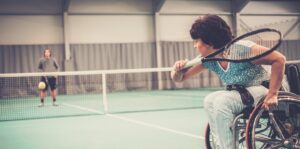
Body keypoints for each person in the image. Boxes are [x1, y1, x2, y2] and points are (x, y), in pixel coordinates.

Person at [171, 14, 286, 149]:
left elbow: (279, 59)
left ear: (210, 42)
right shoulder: (208, 59)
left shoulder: (242, 49)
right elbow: (180, 78)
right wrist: (177, 69)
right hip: (242, 95)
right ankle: (221, 145)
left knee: (222, 102)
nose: (195, 46)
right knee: (209, 100)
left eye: (197, 41)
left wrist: (273, 93)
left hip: (264, 90)